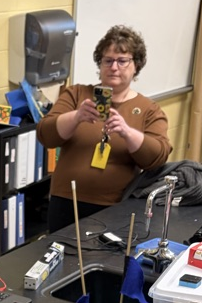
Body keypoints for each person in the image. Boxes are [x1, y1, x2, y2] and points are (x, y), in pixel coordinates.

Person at [37, 24, 172, 230]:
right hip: (66, 201)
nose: (114, 67)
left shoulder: (149, 110)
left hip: (115, 206)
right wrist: (76, 117)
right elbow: (46, 135)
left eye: (122, 61)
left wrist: (127, 132)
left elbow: (157, 157)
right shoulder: (77, 94)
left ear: (136, 65)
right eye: (107, 60)